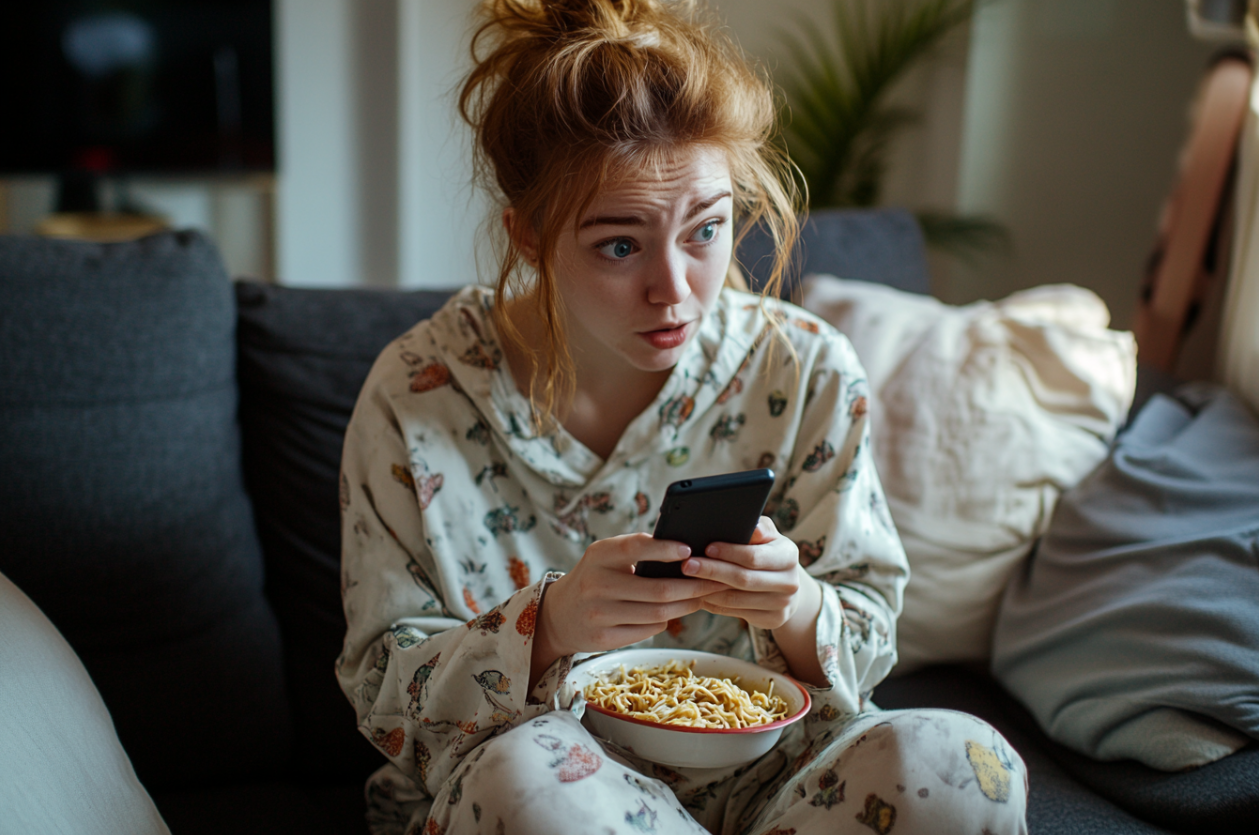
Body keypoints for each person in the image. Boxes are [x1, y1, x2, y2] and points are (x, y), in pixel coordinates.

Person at [336, 1, 1029, 833]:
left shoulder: (802, 369)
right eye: (619, 245)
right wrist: (547, 627)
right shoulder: (418, 391)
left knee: (960, 764)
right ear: (526, 236)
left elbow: (868, 629)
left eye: (705, 229)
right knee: (530, 779)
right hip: (539, 784)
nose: (674, 288)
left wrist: (797, 605)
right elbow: (383, 681)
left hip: (779, 786)